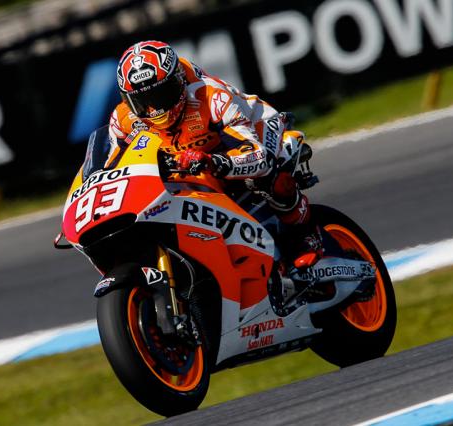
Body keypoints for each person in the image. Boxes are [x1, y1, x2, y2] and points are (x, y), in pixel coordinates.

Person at [105, 40, 322, 269]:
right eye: (141, 102)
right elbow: (113, 169)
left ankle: (306, 236)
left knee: (268, 175)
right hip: (188, 163)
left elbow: (257, 155)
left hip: (254, 129)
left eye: (161, 96)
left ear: (178, 81)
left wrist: (215, 161)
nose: (154, 110)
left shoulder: (210, 96)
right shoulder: (122, 120)